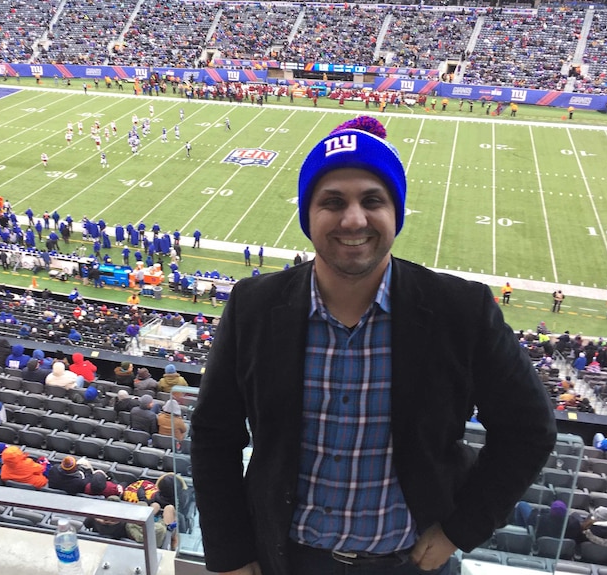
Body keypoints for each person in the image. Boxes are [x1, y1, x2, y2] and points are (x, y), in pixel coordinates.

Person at [190, 115, 556, 575]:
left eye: (372, 200)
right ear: (308, 215)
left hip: (410, 562)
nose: (354, 218)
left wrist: (460, 530)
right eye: (333, 201)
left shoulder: (460, 309)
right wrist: (231, 555)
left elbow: (529, 429)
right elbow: (214, 434)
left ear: (395, 213)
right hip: (286, 558)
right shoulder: (254, 306)